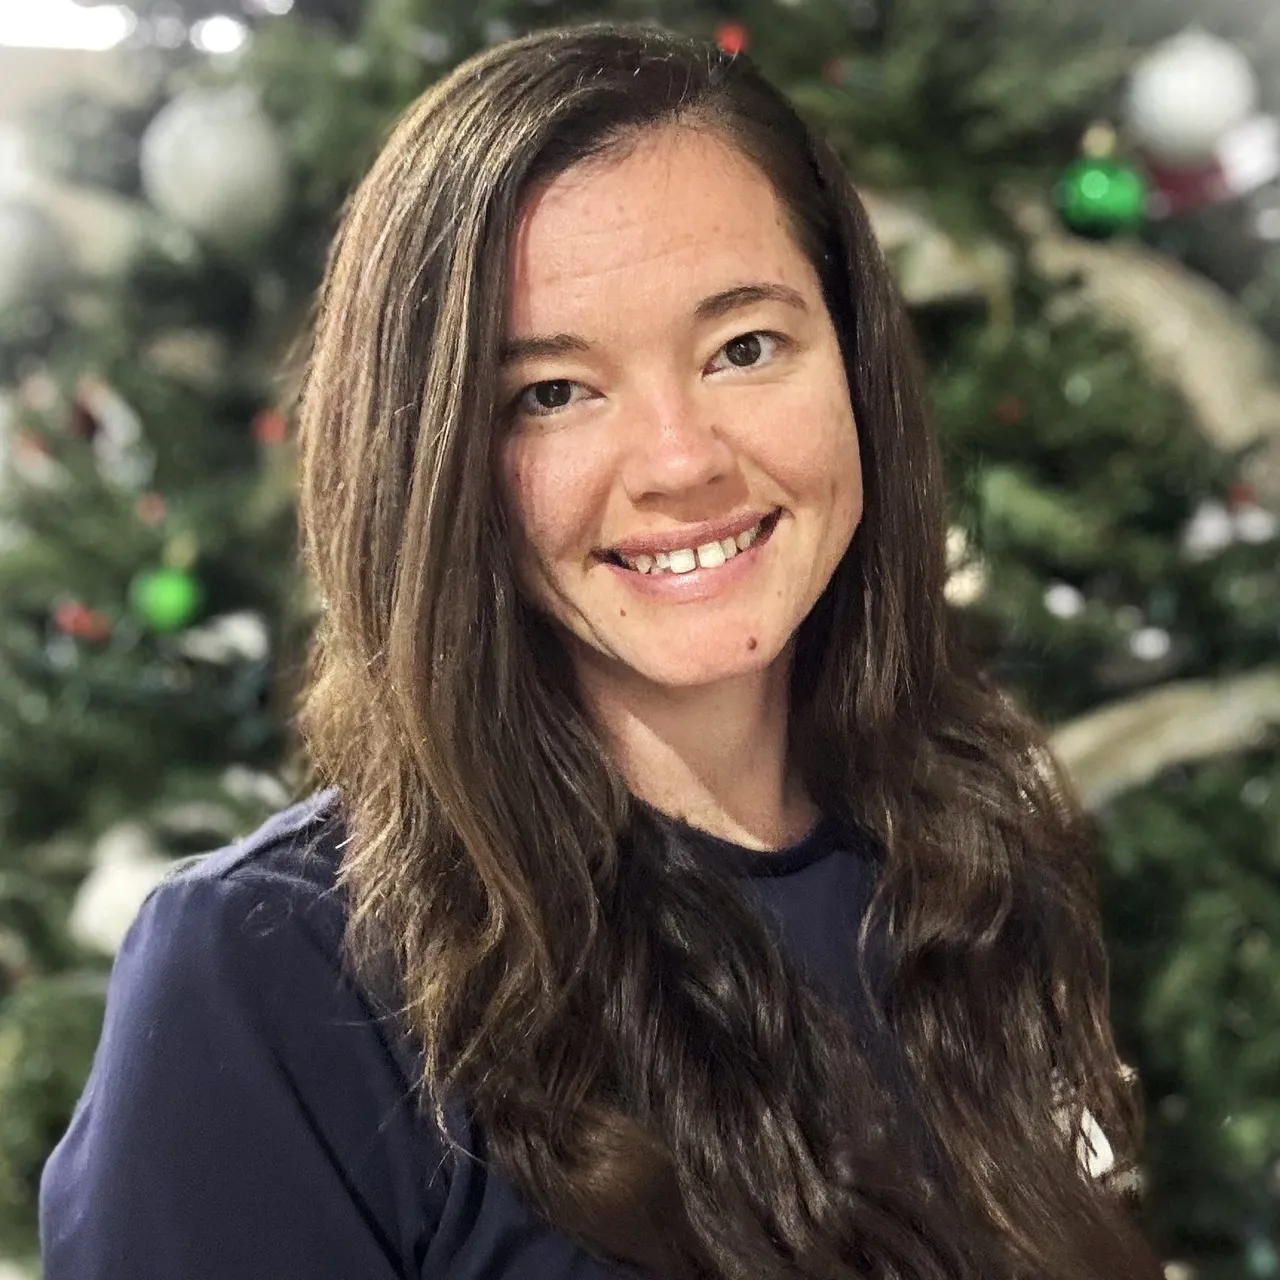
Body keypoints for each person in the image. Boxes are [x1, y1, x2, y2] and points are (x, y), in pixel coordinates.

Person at [40, 22, 1165, 1280]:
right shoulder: (273, 973)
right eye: (552, 393)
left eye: (744, 347)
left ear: (852, 365)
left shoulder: (974, 858)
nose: (682, 460)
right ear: (433, 464)